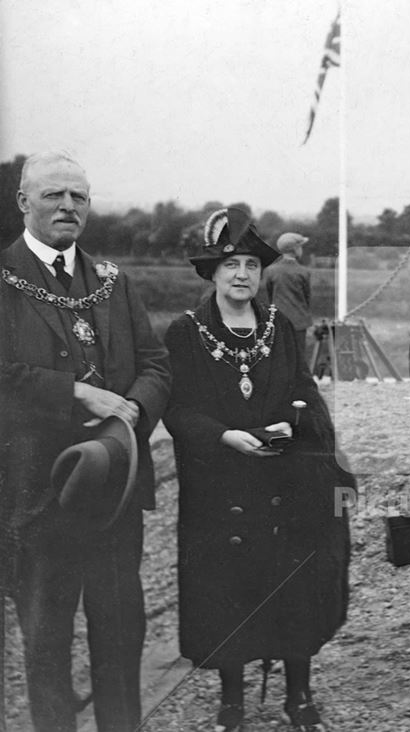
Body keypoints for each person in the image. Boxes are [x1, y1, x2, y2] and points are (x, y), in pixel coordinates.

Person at [163, 208, 353, 732]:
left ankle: (299, 696)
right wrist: (221, 435)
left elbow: (303, 389)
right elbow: (176, 409)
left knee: (291, 587)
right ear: (212, 273)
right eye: (230, 265)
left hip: (282, 480)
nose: (242, 273)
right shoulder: (186, 332)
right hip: (219, 485)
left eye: (250, 264)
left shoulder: (279, 327)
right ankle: (232, 703)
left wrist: (301, 426)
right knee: (228, 592)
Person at [0, 151, 171, 731]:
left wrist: (126, 417)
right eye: (54, 195)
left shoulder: (113, 282)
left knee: (121, 640)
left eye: (79, 196)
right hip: (36, 500)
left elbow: (154, 363)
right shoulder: (3, 278)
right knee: (46, 651)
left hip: (114, 497)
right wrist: (77, 394)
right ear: (24, 202)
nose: (68, 207)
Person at [260, 231, 313, 357]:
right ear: (295, 249)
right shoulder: (303, 272)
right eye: (300, 247)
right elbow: (307, 298)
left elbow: (268, 295)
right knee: (298, 356)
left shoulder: (270, 271)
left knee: (279, 355)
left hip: (277, 320)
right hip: (299, 322)